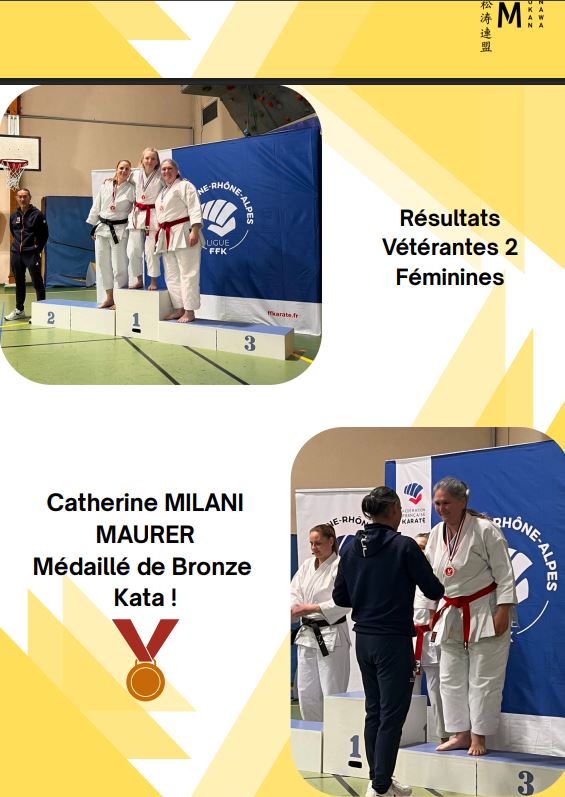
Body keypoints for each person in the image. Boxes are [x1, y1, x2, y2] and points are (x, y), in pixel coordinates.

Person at [333, 487, 444, 797]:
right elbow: (434, 590)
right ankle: (381, 787)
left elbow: (340, 597)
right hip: (393, 641)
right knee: (392, 717)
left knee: (374, 712)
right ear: (394, 510)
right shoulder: (404, 546)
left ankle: (379, 779)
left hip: (364, 641)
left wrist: (368, 592)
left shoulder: (350, 548)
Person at [416, 477, 517, 756]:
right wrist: (430, 611)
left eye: (446, 503)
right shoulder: (436, 533)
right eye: (437, 503)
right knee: (450, 676)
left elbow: (505, 573)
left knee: (484, 677)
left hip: (484, 609)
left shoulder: (485, 530)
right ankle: (460, 733)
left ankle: (478, 736)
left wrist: (504, 609)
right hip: (449, 613)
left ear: (463, 501)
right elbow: (432, 577)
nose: (441, 508)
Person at [291, 523, 351, 722]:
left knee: (332, 690)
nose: (313, 548)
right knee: (306, 690)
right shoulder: (307, 566)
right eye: (311, 543)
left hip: (332, 635)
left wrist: (311, 608)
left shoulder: (341, 566)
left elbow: (345, 602)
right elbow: (293, 592)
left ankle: (335, 732)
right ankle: (314, 733)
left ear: (331, 541)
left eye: (318, 543)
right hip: (307, 635)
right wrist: (294, 608)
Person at [154, 158, 203, 323]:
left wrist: (195, 230)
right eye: (163, 169)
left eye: (169, 168)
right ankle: (179, 308)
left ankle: (189, 311)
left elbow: (194, 208)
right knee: (171, 274)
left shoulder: (185, 185)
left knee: (188, 273)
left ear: (176, 171)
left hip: (184, 232)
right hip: (167, 235)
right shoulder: (163, 191)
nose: (166, 172)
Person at [413, 532, 448, 744]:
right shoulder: (404, 576)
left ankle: (444, 735)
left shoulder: (437, 576)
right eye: (416, 547)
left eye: (423, 547)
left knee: (437, 691)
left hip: (431, 640)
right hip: (410, 640)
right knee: (409, 692)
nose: (420, 551)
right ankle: (409, 733)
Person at [86, 159, 135, 309]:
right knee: (103, 265)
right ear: (116, 169)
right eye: (121, 168)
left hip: (119, 231)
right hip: (102, 229)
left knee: (119, 266)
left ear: (130, 172)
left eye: (127, 169)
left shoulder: (131, 189)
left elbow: (136, 209)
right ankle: (109, 297)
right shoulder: (106, 186)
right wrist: (94, 226)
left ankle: (120, 299)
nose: (124, 171)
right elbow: (97, 206)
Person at [5, 188, 48, 321]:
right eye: (20, 197)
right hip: (16, 254)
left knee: (37, 282)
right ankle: (19, 310)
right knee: (19, 282)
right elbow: (14, 232)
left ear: (30, 198)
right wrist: (18, 247)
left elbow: (44, 235)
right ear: (17, 198)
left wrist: (37, 249)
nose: (22, 199)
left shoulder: (37, 215)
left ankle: (41, 311)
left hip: (32, 254)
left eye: (25, 196)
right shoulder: (14, 216)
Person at [127, 147, 162, 290]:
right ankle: (139, 280)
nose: (150, 161)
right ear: (142, 160)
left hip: (153, 215)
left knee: (151, 251)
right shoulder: (134, 175)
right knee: (133, 251)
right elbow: (123, 183)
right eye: (147, 158)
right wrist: (113, 180)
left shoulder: (161, 176)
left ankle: (153, 281)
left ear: (157, 161)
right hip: (137, 215)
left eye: (153, 158)